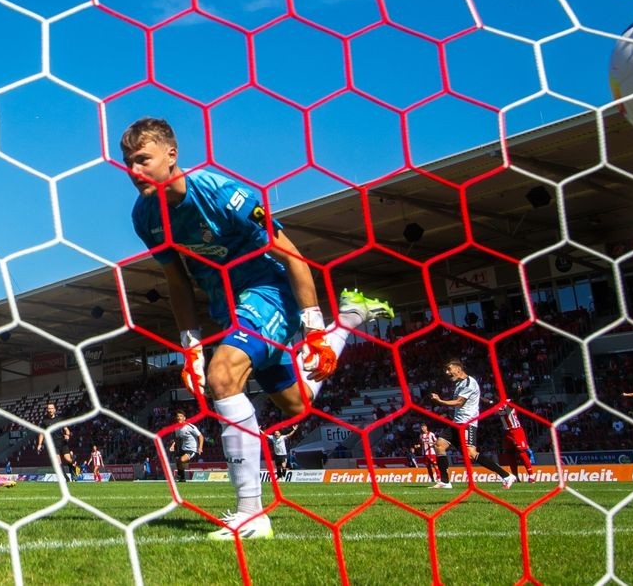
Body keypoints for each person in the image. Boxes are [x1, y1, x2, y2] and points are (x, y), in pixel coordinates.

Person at [122, 117, 394, 540]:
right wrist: (190, 346)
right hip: (228, 309)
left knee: (223, 374)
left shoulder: (221, 193)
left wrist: (313, 329)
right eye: (127, 162)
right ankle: (353, 317)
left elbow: (293, 258)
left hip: (269, 292)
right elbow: (177, 282)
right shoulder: (145, 217)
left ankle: (250, 514)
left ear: (172, 155)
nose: (133, 170)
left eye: (143, 159)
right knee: (296, 406)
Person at [428, 360, 516, 490]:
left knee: (471, 453)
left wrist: (440, 401)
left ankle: (507, 476)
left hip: (467, 423)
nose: (447, 373)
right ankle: (445, 481)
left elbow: (459, 403)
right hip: (456, 422)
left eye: (449, 369)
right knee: (439, 445)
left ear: (458, 369)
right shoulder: (460, 384)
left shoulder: (469, 383)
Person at [36, 402, 75, 483]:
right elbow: (41, 433)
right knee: (58, 461)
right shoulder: (44, 421)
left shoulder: (59, 419)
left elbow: (66, 429)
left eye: (51, 408)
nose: (50, 410)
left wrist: (67, 435)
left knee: (68, 459)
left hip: (63, 442)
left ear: (55, 410)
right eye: (48, 408)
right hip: (53, 445)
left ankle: (73, 465)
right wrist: (39, 444)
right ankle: (66, 478)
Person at [497, 401, 536, 482]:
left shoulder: (509, 401)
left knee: (522, 452)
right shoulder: (497, 404)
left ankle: (531, 476)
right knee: (510, 454)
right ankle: (515, 477)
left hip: (516, 430)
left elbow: (515, 402)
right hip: (507, 432)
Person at [168, 410, 203, 483]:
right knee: (178, 460)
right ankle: (182, 478)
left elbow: (201, 436)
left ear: (184, 418)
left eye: (181, 416)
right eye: (178, 416)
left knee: (181, 460)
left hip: (192, 449)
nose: (179, 418)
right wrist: (173, 445)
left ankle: (180, 475)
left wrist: (200, 448)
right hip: (183, 448)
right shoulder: (177, 428)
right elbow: (177, 438)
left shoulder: (190, 426)